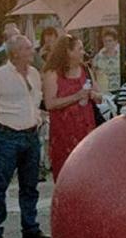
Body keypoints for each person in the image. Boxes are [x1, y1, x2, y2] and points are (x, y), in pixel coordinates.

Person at [0, 35, 51, 238]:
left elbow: (36, 100)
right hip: (8, 133)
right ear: (15, 53)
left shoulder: (33, 74)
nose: (32, 52)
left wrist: (38, 119)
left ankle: (30, 227)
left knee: (30, 185)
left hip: (31, 133)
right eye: (27, 48)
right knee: (1, 184)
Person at [42, 34, 100, 180]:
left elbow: (100, 97)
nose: (83, 52)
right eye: (79, 49)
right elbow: (50, 103)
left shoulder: (86, 70)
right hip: (64, 130)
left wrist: (93, 94)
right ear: (68, 52)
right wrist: (76, 96)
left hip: (86, 127)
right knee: (65, 171)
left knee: (87, 170)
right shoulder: (53, 73)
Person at [91, 28, 122, 95]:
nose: (107, 43)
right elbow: (92, 75)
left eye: (110, 41)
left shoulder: (121, 57)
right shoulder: (97, 58)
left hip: (120, 91)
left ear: (116, 42)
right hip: (104, 92)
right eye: (105, 41)